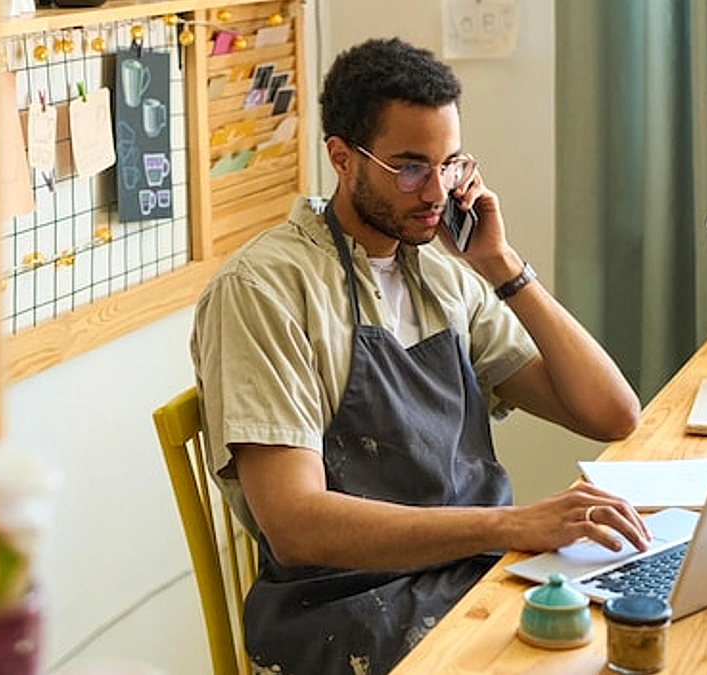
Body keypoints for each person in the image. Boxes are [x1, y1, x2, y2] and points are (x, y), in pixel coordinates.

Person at [191, 38, 649, 675]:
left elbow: (611, 414)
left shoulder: (444, 272)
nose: (436, 192)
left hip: (474, 578)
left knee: (638, 634)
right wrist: (510, 527)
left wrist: (501, 265)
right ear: (342, 158)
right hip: (345, 611)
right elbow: (297, 525)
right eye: (410, 167)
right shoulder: (265, 290)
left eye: (450, 164)